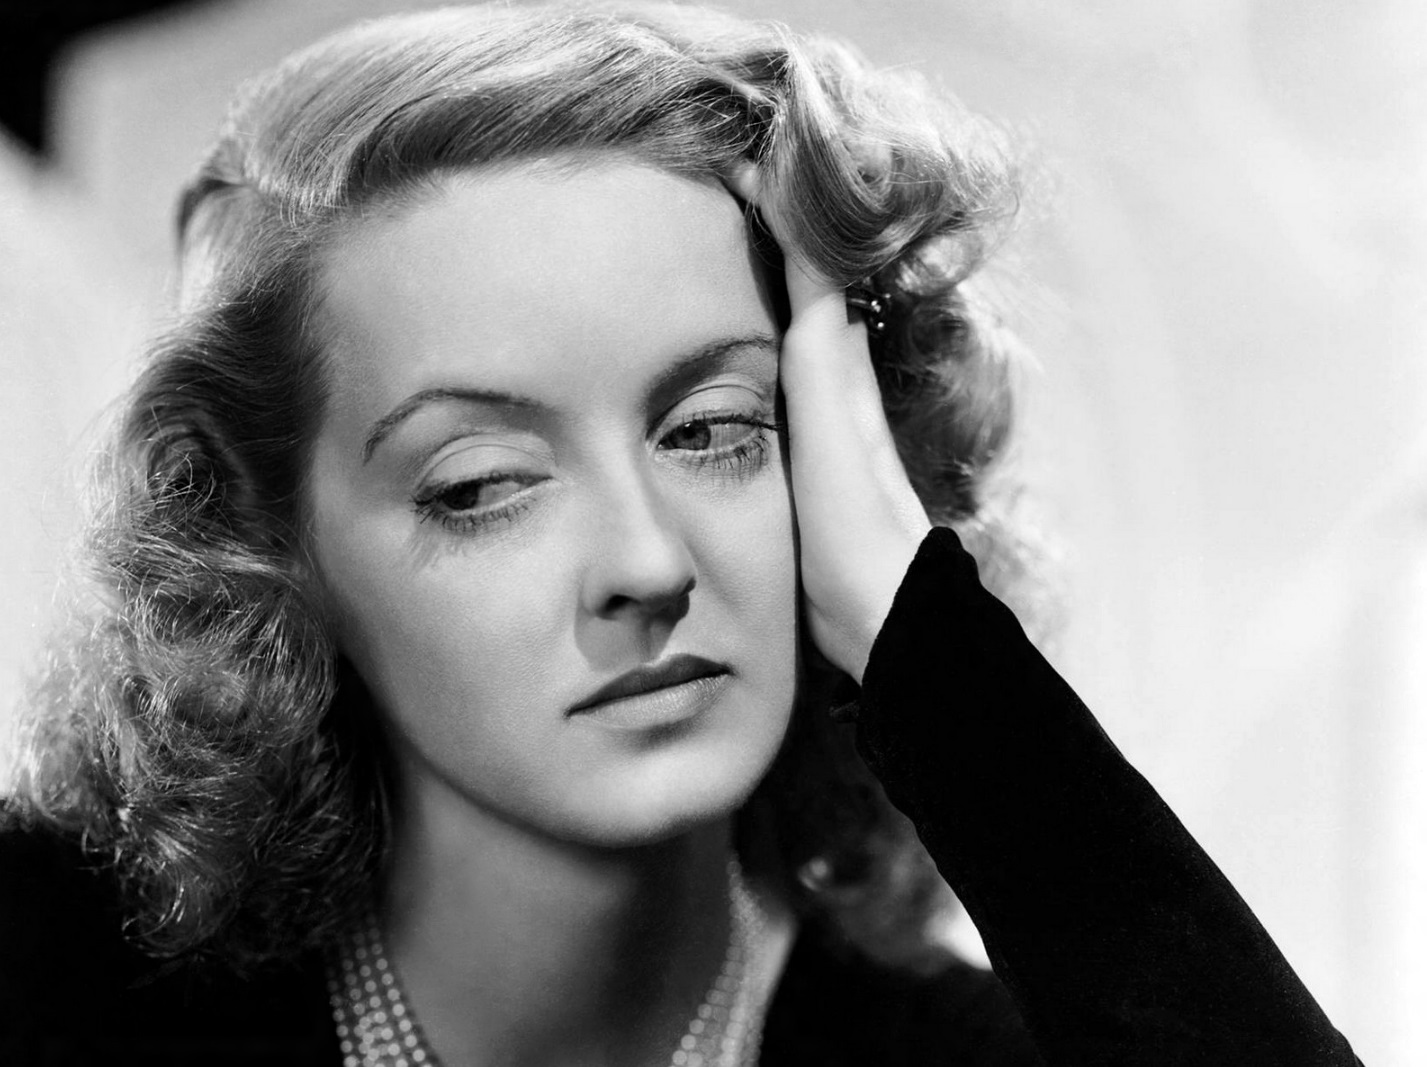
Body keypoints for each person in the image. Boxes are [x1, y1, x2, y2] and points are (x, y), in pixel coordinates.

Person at [0, 4, 1361, 1065]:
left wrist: (911, 609)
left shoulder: (948, 1051)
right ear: (267, 554)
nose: (648, 567)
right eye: (481, 485)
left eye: (712, 430)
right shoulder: (50, 973)